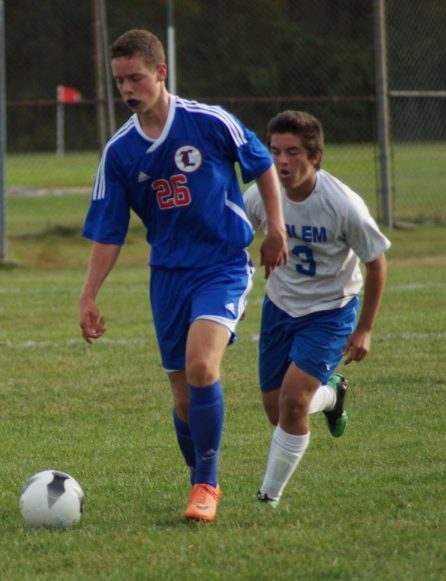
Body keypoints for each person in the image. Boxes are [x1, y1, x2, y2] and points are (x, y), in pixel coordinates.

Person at [79, 29, 288, 523]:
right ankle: (199, 473)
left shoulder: (208, 121)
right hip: (168, 276)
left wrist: (275, 227)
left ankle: (207, 484)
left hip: (222, 265)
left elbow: (261, 165)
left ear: (160, 73)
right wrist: (89, 295)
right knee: (181, 396)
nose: (128, 89)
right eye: (120, 81)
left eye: (136, 78)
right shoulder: (120, 153)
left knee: (201, 367)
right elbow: (109, 232)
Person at [243, 110, 390, 507]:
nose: (281, 161)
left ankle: (267, 498)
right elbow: (237, 242)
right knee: (279, 414)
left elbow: (376, 262)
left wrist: (364, 328)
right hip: (279, 308)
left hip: (330, 311)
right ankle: (333, 394)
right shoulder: (261, 194)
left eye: (292, 152)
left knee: (293, 402)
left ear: (315, 157)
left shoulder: (343, 204)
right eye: (274, 151)